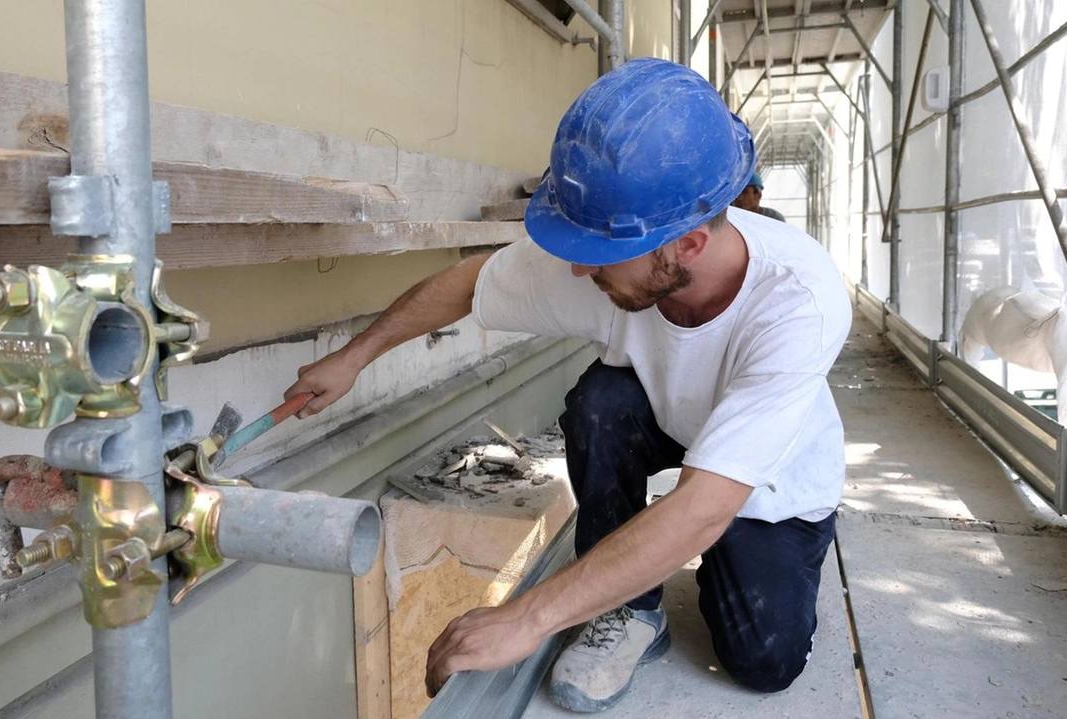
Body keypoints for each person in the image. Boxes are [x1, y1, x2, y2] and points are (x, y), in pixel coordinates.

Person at [284, 58, 851, 713]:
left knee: (762, 660)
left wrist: (525, 618)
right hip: (673, 419)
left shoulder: (798, 303)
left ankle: (724, 548)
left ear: (688, 245)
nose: (579, 267)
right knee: (600, 405)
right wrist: (354, 358)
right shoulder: (616, 250)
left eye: (598, 254)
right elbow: (468, 284)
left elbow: (704, 504)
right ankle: (633, 613)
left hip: (774, 478)